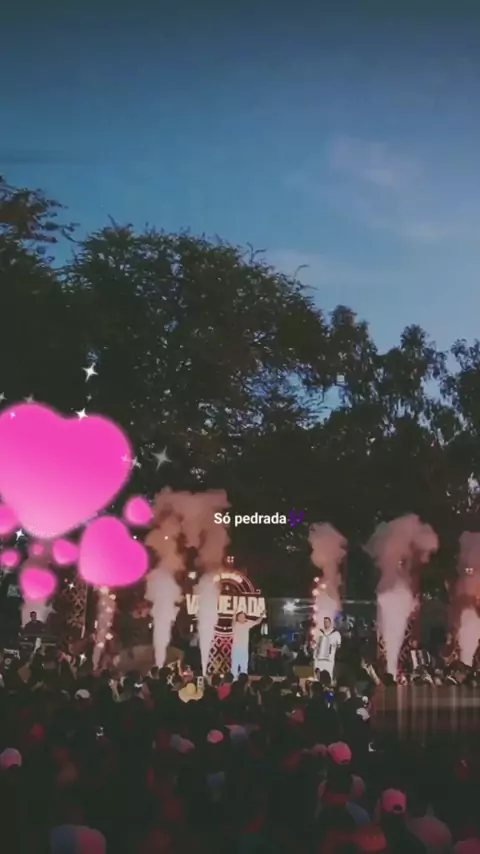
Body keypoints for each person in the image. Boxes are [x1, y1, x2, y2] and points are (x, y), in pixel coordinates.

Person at [231, 611, 263, 676]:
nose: (242, 618)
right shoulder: (235, 624)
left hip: (244, 650)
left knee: (244, 666)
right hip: (236, 649)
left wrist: (262, 615)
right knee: (235, 666)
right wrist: (234, 613)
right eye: (240, 616)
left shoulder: (247, 624)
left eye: (243, 616)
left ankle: (243, 679)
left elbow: (257, 622)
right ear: (237, 618)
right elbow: (233, 621)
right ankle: (234, 679)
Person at [314, 617, 341, 681]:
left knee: (329, 676)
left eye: (327, 622)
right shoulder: (319, 633)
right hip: (319, 659)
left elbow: (339, 646)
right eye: (324, 622)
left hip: (329, 660)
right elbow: (316, 644)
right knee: (318, 676)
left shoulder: (336, 634)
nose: (325, 623)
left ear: (330, 623)